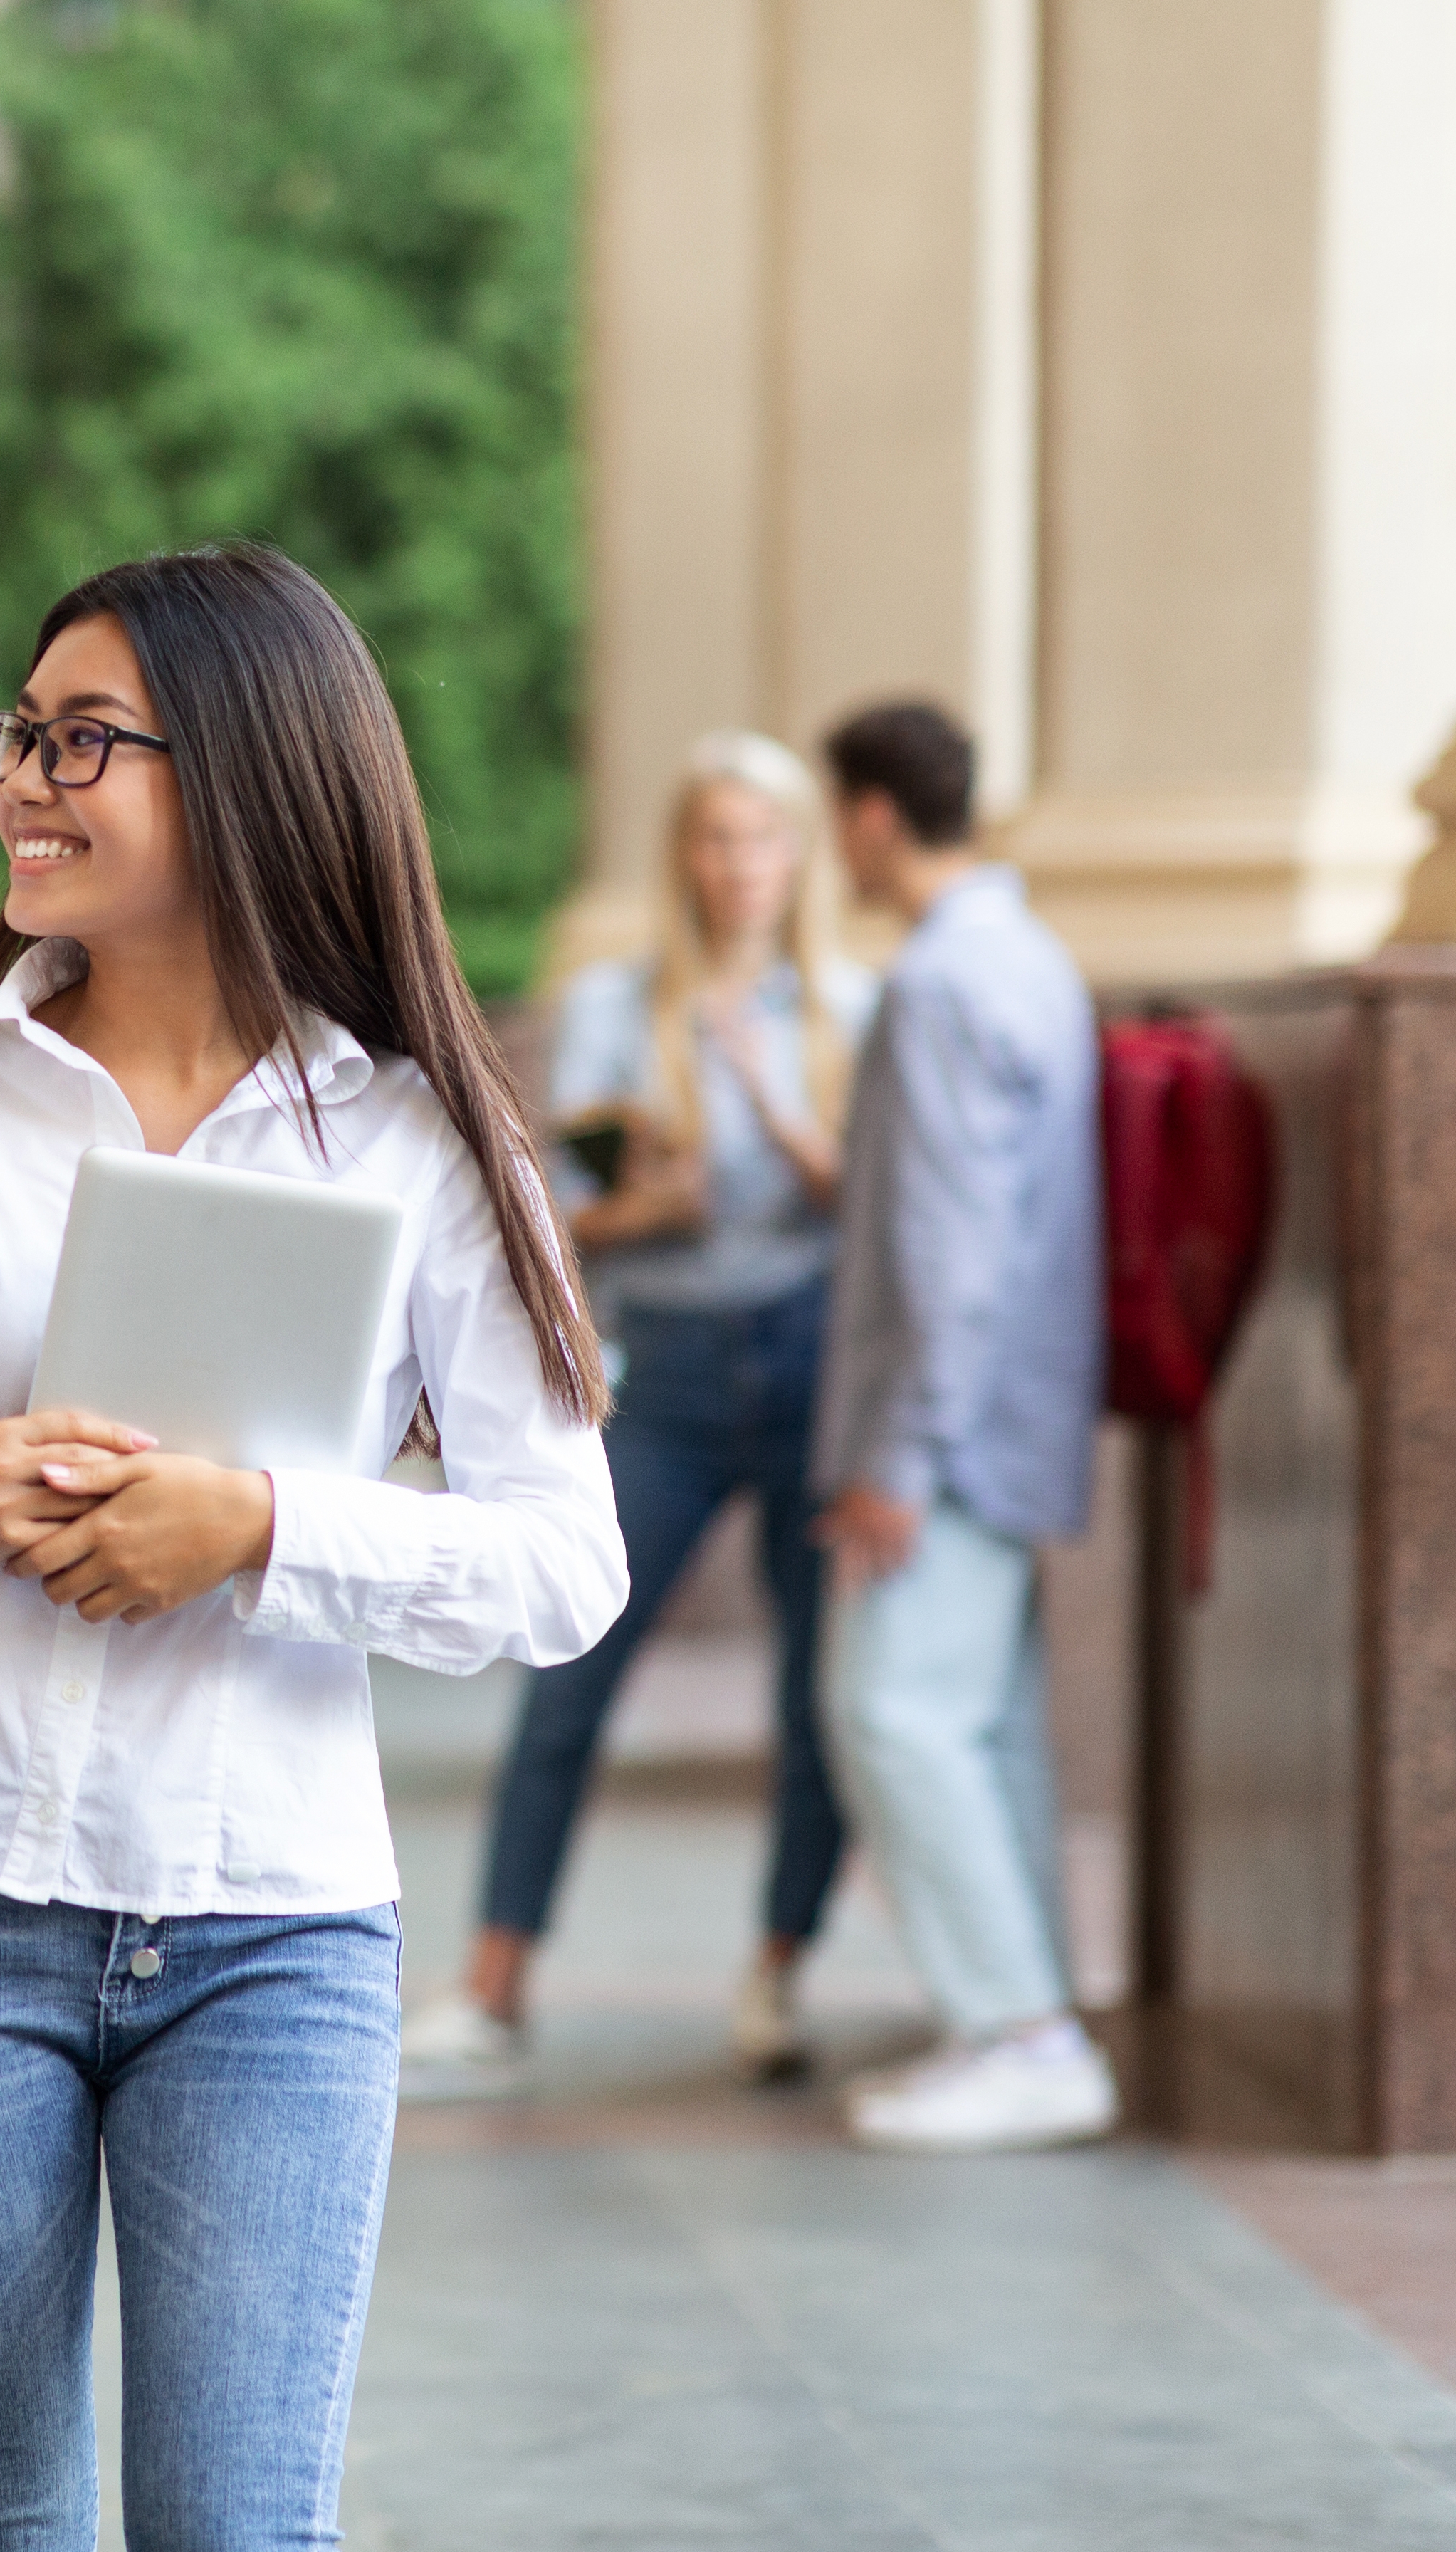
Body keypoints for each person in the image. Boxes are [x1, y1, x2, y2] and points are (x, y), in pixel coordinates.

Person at [0, 543, 624, 2551]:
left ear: (254, 772)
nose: (26, 775)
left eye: (87, 740)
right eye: (21, 730)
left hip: (274, 1927)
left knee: (239, 2528)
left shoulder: (427, 1142)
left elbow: (560, 1562)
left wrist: (261, 1530)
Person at [403, 731, 875, 2097]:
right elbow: (555, 1212)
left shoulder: (853, 1004)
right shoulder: (616, 1005)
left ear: (798, 857)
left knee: (808, 1693)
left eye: (763, 837)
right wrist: (641, 1208)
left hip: (803, 1365)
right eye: (714, 836)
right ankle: (492, 1984)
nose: (737, 864)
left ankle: (775, 1975)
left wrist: (778, 1107)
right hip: (662, 1367)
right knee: (566, 1672)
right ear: (683, 852)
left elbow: (879, 1211)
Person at [809, 699, 1114, 2155]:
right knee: (975, 1727)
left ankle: (1025, 2034)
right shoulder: (1030, 956)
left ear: (872, 815)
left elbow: (950, 1250)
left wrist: (897, 1459)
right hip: (1017, 1417)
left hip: (955, 1435)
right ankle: (1020, 2018)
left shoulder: (937, 982)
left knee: (895, 1712)